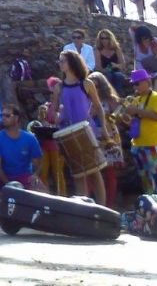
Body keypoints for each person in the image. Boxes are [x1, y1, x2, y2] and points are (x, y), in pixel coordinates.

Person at [49, 50, 110, 206]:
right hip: (68, 132)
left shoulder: (86, 84)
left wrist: (103, 128)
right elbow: (53, 111)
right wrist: (54, 116)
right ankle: (84, 208)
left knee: (94, 171)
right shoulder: (59, 87)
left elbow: (98, 107)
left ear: (72, 62)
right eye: (59, 61)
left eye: (63, 61)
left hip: (86, 131)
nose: (60, 64)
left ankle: (101, 208)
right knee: (78, 174)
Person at [0, 104, 44, 209]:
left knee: (43, 192)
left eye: (7, 115)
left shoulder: (30, 139)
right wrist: (9, 185)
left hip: (23, 175)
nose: (3, 118)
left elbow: (38, 162)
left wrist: (35, 174)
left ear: (16, 118)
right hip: (1, 177)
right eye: (2, 115)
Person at [126, 69, 157, 203]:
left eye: (137, 83)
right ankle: (151, 207)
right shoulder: (136, 99)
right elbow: (134, 121)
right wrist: (125, 117)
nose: (135, 87)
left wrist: (137, 111)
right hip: (138, 145)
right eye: (133, 84)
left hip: (153, 145)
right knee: (145, 180)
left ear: (147, 82)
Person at [88, 72, 124, 209]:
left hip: (109, 137)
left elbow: (119, 116)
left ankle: (110, 204)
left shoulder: (111, 99)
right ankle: (92, 203)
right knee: (92, 172)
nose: (94, 89)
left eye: (96, 86)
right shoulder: (87, 100)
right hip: (93, 137)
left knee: (110, 173)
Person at [38, 78, 66, 196]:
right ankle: (45, 197)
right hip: (45, 144)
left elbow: (62, 122)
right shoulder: (46, 107)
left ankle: (62, 197)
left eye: (53, 92)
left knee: (57, 173)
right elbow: (41, 121)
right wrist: (41, 119)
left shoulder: (63, 107)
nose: (51, 95)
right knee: (43, 172)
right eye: (50, 92)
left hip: (58, 145)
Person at [130, 25, 157, 92]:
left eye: (147, 37)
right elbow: (131, 29)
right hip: (141, 70)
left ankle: (154, 96)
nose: (145, 40)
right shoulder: (136, 45)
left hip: (154, 70)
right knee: (143, 82)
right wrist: (138, 28)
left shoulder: (155, 41)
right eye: (143, 39)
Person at [94, 29, 127, 96]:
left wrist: (116, 65)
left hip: (116, 71)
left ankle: (118, 95)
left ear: (110, 38)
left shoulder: (116, 49)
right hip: (103, 72)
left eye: (106, 38)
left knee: (118, 76)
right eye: (102, 38)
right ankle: (108, 95)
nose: (104, 40)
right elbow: (98, 67)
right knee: (108, 75)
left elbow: (123, 65)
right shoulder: (98, 50)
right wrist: (105, 70)